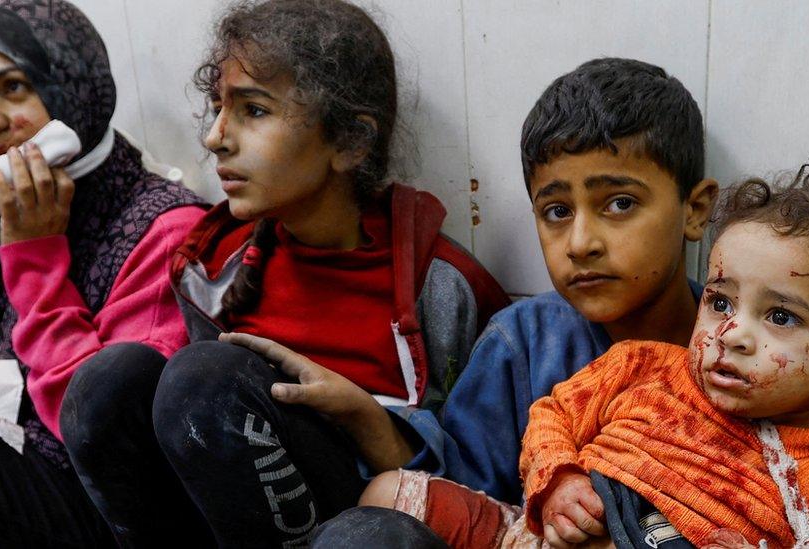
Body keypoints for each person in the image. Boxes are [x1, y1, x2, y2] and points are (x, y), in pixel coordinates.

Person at [317, 58, 809, 548]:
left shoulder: (805, 367)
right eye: (557, 211)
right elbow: (468, 497)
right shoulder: (520, 344)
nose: (582, 241)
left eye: (618, 202)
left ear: (695, 210)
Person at [57, 1, 510, 547]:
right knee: (111, 380)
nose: (215, 137)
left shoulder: (440, 287)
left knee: (206, 379)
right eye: (218, 107)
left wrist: (365, 417)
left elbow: (486, 487)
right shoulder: (213, 267)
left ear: (350, 142)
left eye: (253, 111)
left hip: (373, 520)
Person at [516, 159, 809, 548]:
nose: (732, 335)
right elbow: (553, 415)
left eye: (781, 316)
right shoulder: (639, 368)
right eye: (720, 303)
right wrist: (558, 481)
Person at [0, 0, 205, 546]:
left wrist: (32, 255)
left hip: (92, 503)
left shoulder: (163, 228)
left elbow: (98, 432)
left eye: (11, 87)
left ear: (75, 87)